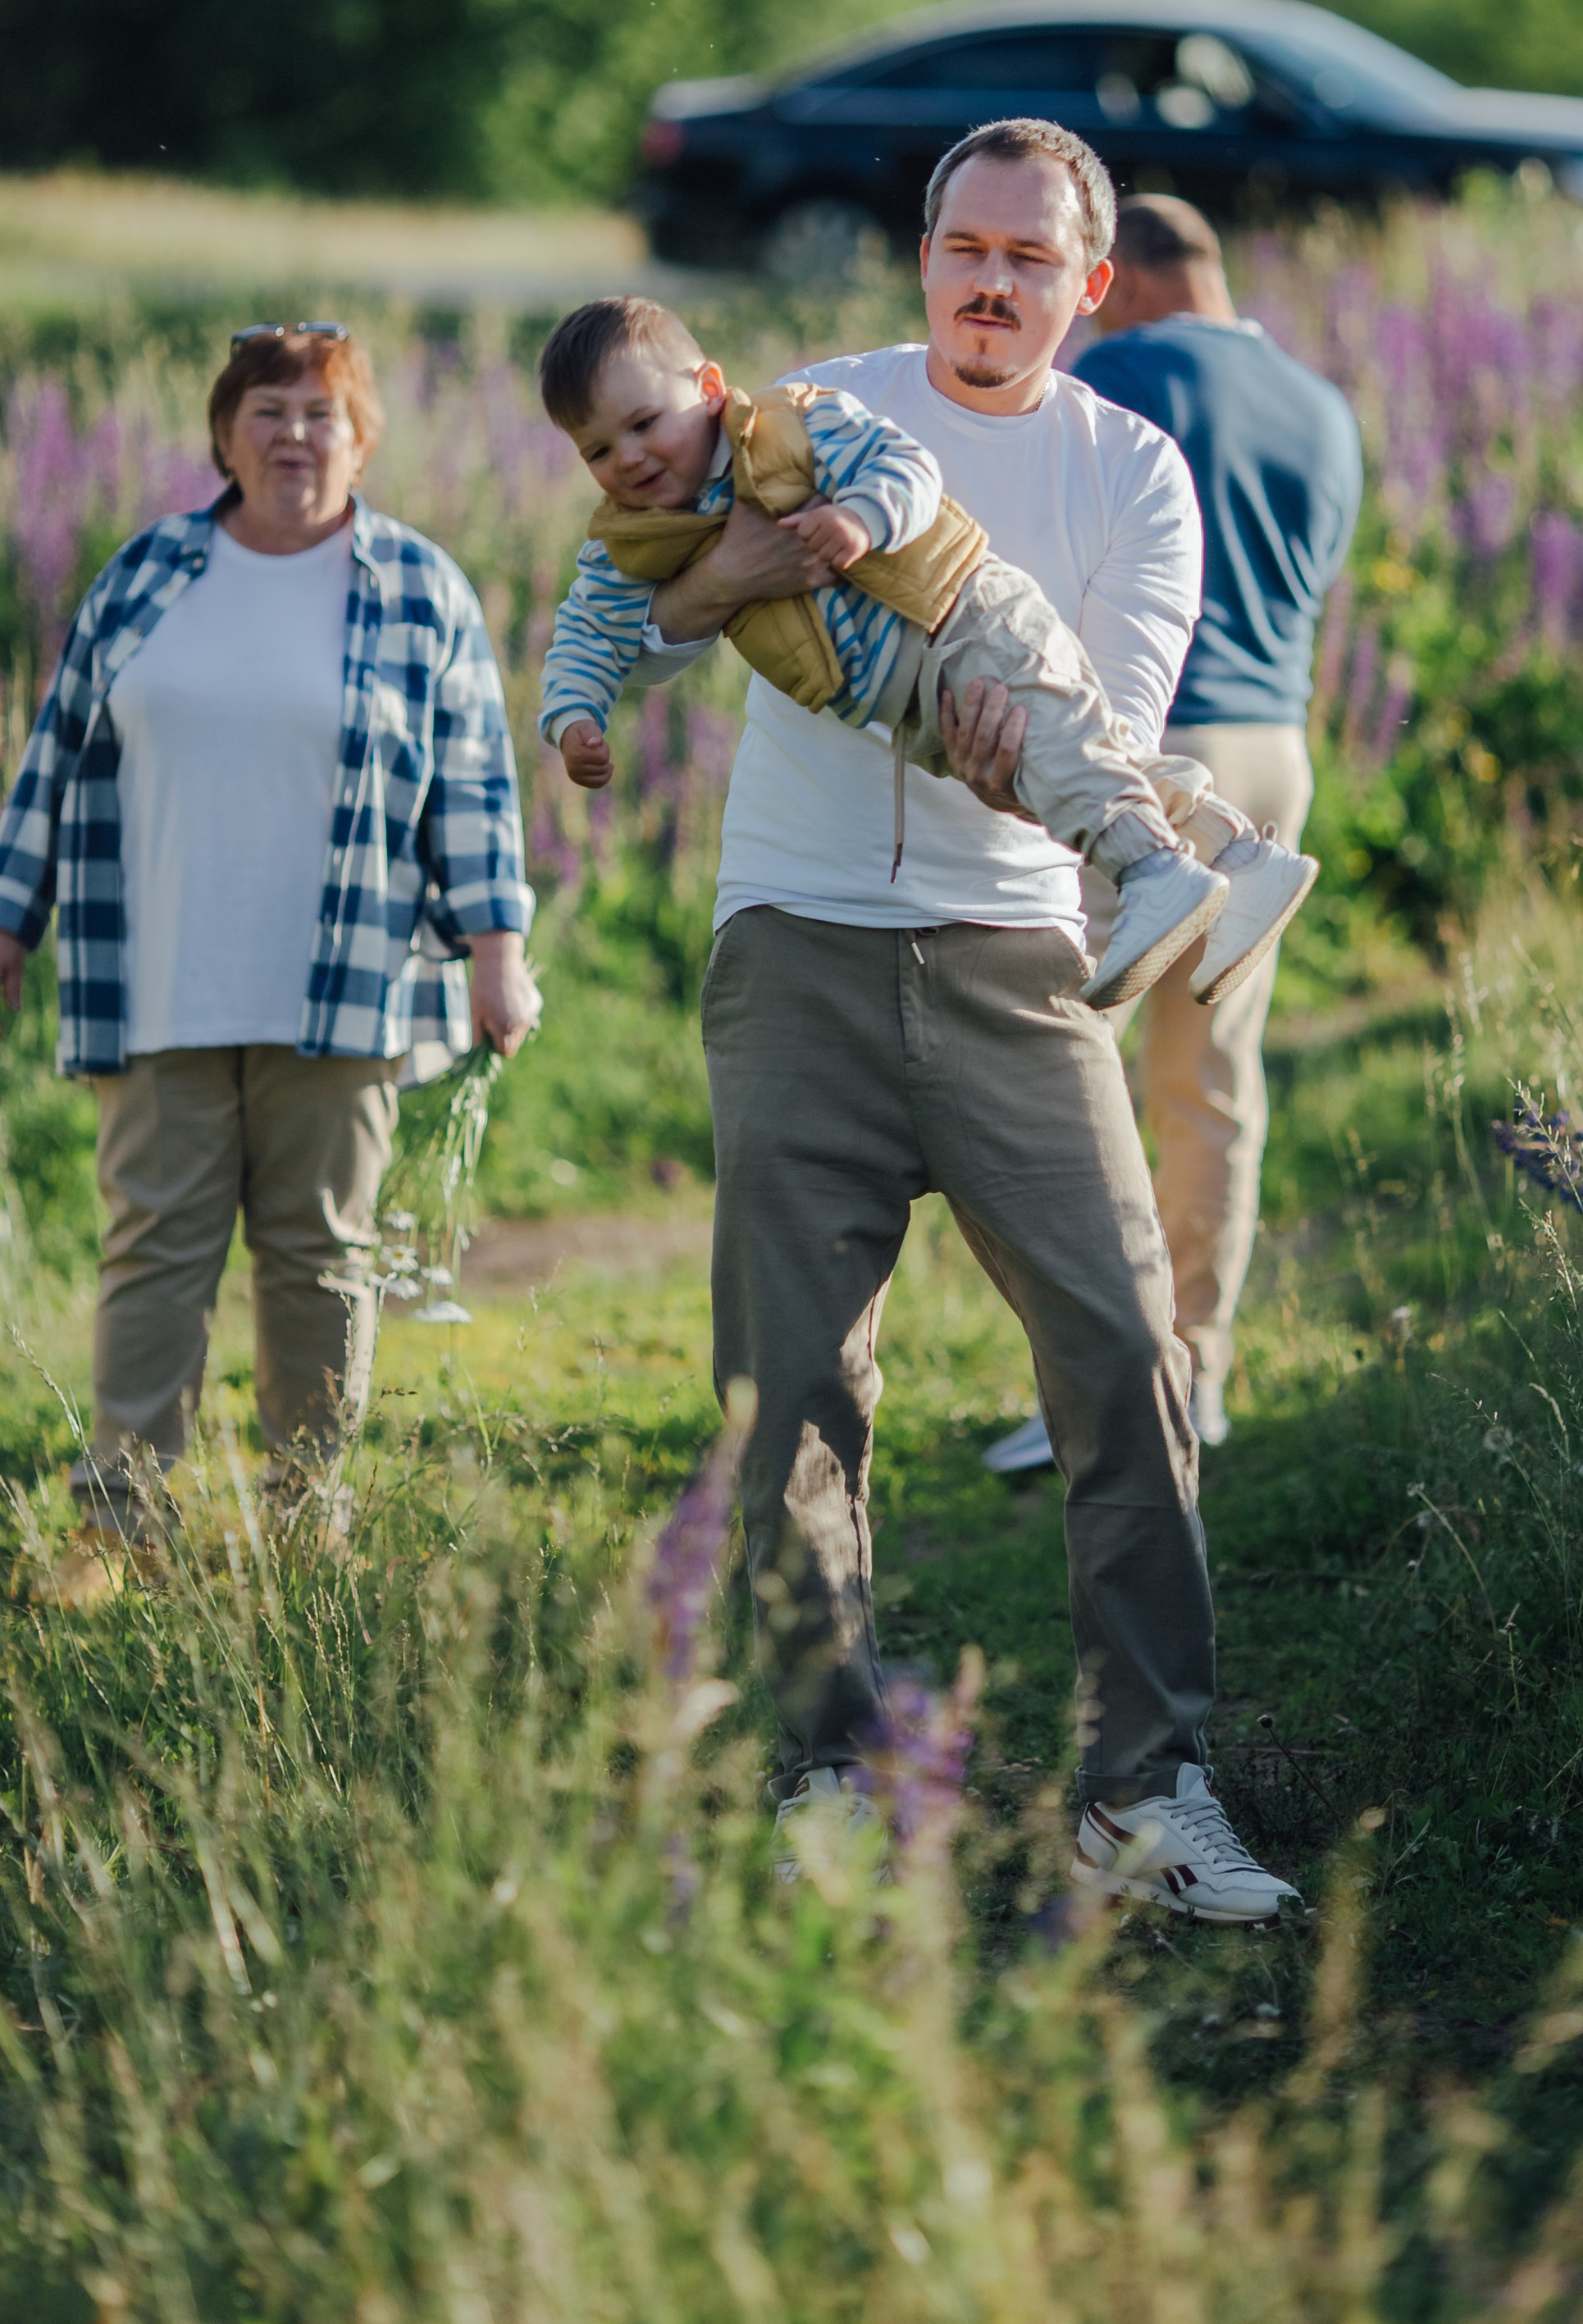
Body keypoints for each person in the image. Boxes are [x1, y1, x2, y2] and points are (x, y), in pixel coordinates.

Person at [622, 117, 1301, 1922]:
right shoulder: (794, 410)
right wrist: (765, 573)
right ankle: (828, 1773)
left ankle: (1143, 1793)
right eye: (960, 249)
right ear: (920, 259)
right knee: (792, 1397)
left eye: (1026, 260)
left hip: (1019, 960)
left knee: (1126, 1366)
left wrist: (976, 720)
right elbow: (657, 600)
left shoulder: (1134, 468)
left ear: (1088, 288)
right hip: (796, 940)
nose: (987, 284)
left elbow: (1099, 710)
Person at [0, 322, 539, 1601]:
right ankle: (122, 1525)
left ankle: (307, 1515)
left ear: (361, 436)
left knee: (322, 1255)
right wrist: (5, 915)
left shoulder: (418, 587)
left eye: (321, 412)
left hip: (347, 976)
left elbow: (476, 789)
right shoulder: (149, 571)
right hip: (154, 965)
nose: (293, 434)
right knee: (153, 1251)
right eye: (266, 410)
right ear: (223, 435)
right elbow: (59, 752)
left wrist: (500, 949)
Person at [534, 298, 1315, 1012]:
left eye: (643, 423)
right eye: (598, 450)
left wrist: (862, 520)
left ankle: (1152, 871)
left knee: (1057, 751)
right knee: (1064, 758)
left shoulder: (789, 426)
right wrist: (573, 716)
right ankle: (1239, 856)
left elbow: (905, 468)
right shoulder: (631, 541)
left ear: (707, 387)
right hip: (905, 706)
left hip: (957, 617)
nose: (628, 458)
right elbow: (587, 631)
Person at [987, 196, 1360, 1469]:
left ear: (1125, 279)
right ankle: (1198, 1371)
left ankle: (1096, 1384)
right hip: (1275, 754)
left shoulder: (1124, 368)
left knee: (1055, 1069)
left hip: (1148, 762)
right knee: (1213, 1081)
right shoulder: (1324, 405)